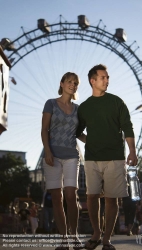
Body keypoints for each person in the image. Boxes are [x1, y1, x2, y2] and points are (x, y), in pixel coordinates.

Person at [76, 64, 137, 250]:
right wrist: (92, 142)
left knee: (112, 199)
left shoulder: (117, 102)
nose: (107, 80)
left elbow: (128, 127)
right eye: (103, 77)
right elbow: (77, 132)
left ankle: (106, 239)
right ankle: (96, 233)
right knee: (92, 196)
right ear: (92, 81)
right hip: (92, 158)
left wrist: (132, 151)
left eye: (107, 77)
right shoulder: (84, 107)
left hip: (116, 158)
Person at [41, 72, 86, 249]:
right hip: (53, 154)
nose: (73, 85)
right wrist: (47, 151)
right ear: (62, 83)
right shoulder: (51, 104)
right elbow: (44, 129)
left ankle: (74, 235)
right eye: (69, 81)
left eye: (75, 83)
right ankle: (64, 239)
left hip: (71, 155)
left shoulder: (77, 109)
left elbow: (79, 134)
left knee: (70, 194)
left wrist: (98, 141)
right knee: (57, 197)